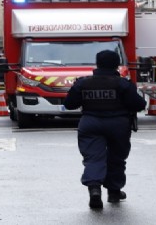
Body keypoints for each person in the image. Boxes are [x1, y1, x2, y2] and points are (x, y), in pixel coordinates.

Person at [63, 50, 147, 209]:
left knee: (93, 157)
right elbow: (139, 105)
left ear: (97, 64)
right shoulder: (123, 84)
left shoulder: (83, 83)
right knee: (116, 158)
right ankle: (114, 191)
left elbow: (69, 104)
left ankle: (94, 188)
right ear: (116, 65)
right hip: (118, 124)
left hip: (90, 123)